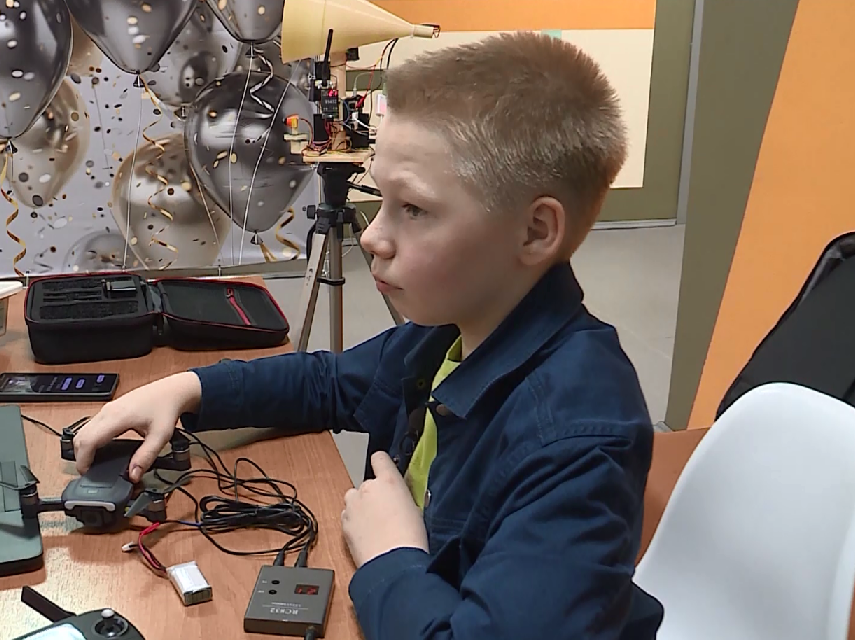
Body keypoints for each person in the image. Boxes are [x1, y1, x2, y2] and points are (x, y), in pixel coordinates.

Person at [74, 31, 664, 640]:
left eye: (415, 209)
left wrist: (391, 557)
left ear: (535, 232)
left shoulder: (576, 441)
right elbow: (329, 381)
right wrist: (188, 389)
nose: (373, 236)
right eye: (378, 197)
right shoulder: (455, 328)